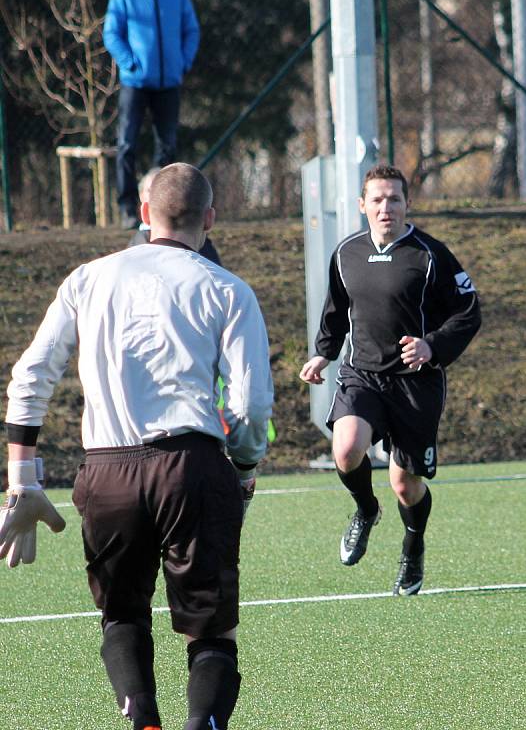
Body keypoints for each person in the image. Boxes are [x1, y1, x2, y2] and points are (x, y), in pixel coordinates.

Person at [1, 163, 273, 730]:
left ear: (144, 214)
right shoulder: (227, 289)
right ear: (211, 219)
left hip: (107, 473)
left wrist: (22, 480)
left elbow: (29, 378)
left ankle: (144, 723)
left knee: (122, 615)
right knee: (211, 630)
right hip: (192, 468)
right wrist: (242, 467)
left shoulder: (87, 278)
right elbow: (251, 408)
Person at [299, 163, 481, 596]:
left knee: (406, 484)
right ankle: (365, 509)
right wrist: (324, 353)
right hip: (362, 375)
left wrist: (432, 345)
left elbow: (468, 312)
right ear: (362, 205)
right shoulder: (346, 253)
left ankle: (413, 546)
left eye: (394, 199)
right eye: (377, 200)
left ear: (407, 204)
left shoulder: (431, 254)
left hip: (416, 384)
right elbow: (336, 309)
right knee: (345, 450)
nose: (386, 208)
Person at [104, 0, 201, 229]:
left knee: (167, 147)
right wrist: (130, 62)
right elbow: (112, 34)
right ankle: (128, 209)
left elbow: (191, 31)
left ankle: (168, 210)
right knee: (127, 145)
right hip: (135, 82)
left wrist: (182, 62)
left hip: (169, 82)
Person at [129, 167, 221, 264]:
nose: (162, 196)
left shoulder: (115, 269)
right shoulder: (220, 278)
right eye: (151, 191)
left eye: (165, 190)